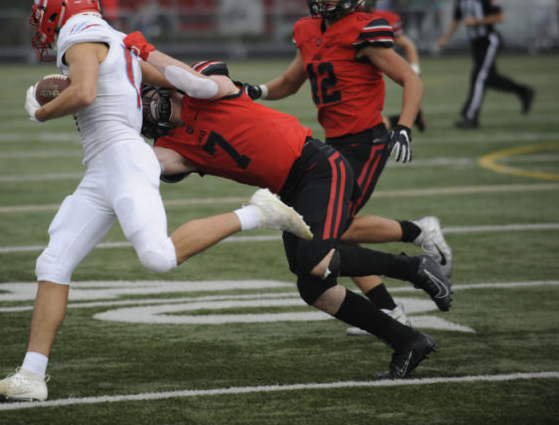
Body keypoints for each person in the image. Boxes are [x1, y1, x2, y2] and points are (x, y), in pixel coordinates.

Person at [0, 0, 312, 403]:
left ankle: (258, 213)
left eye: (44, 16)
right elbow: (196, 85)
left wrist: (42, 113)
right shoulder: (116, 38)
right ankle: (31, 375)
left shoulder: (79, 32)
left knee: (158, 257)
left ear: (62, 9)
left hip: (123, 158)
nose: (41, 26)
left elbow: (83, 92)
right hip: (104, 167)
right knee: (54, 261)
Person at [126, 48, 452, 380]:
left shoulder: (206, 87)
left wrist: (132, 55)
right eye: (142, 108)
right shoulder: (175, 148)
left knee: (315, 260)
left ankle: (414, 268)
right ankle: (407, 341)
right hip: (289, 190)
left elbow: (194, 80)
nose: (151, 107)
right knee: (314, 288)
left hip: (318, 166)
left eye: (146, 94)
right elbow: (146, 164)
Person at [232, 0, 451, 328]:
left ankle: (413, 250)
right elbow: (290, 82)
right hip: (332, 143)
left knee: (332, 231)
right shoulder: (307, 30)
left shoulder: (363, 30)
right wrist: (257, 90)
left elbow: (410, 81)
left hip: (365, 143)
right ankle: (394, 293)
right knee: (328, 230)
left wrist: (405, 127)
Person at [437, 0, 536, 129]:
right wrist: (445, 38)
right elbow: (456, 19)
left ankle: (471, 116)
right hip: (476, 43)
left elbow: (500, 17)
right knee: (490, 79)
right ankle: (524, 91)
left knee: (479, 77)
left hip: (489, 40)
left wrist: (477, 21)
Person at [363, 0, 427, 132]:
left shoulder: (382, 19)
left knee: (366, 125)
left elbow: (407, 44)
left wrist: (415, 72)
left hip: (372, 75)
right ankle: (413, 118)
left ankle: (406, 121)